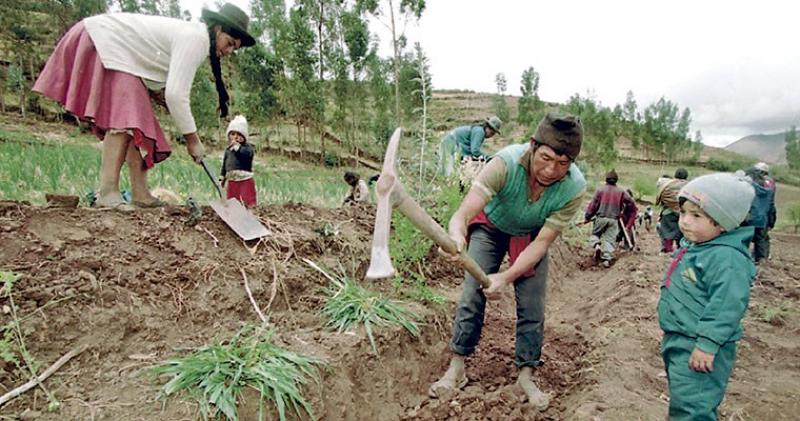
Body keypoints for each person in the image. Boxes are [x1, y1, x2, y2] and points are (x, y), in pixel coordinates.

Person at [428, 112, 586, 411]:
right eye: (546, 158)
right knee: (471, 294)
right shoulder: (504, 164)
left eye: (563, 164)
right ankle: (457, 365)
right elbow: (462, 214)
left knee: (532, 304)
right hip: (490, 227)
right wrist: (457, 236)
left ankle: (526, 374)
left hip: (530, 236)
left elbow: (542, 243)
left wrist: (507, 276)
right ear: (532, 146)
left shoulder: (574, 189)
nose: (551, 170)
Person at [32, 3, 255, 211]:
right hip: (105, 41)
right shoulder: (196, 38)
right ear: (217, 29)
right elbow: (176, 95)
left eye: (234, 48)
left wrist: (168, 105)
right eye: (229, 43)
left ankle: (140, 194)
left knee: (139, 122)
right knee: (124, 120)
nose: (228, 51)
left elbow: (162, 86)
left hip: (122, 55)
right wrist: (192, 140)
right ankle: (107, 192)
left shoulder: (194, 37)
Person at [658, 172, 756, 421]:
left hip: (698, 346)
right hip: (680, 339)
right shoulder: (700, 245)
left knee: (694, 407)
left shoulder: (728, 259)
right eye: (683, 213)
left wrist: (707, 344)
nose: (685, 222)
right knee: (683, 400)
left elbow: (727, 307)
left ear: (722, 223)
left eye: (696, 215)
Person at [584, 170, 636, 266]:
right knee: (610, 240)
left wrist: (587, 216)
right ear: (616, 180)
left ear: (606, 179)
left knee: (595, 234)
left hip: (601, 217)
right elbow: (631, 203)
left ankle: (597, 245)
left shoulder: (600, 190)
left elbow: (593, 205)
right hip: (613, 220)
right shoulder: (621, 191)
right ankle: (607, 259)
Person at [438, 116, 503, 176]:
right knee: (449, 173)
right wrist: (488, 158)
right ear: (488, 128)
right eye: (492, 133)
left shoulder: (478, 130)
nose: (491, 136)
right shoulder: (479, 132)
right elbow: (475, 151)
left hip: (451, 144)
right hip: (450, 144)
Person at [743, 163, 777, 264]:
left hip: (747, 216)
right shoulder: (770, 184)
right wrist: (772, 221)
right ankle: (762, 262)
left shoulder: (748, 181)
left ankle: (742, 258)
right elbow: (771, 205)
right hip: (762, 218)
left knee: (743, 238)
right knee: (762, 239)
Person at [220, 115, 256, 208]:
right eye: (232, 134)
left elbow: (248, 155)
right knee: (232, 200)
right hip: (232, 179)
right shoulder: (228, 150)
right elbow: (225, 164)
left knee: (246, 200)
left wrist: (238, 147)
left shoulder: (247, 148)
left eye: (238, 134)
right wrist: (222, 177)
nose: (235, 137)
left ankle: (249, 213)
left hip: (244, 179)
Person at [656, 168, 689, 252]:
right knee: (682, 233)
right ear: (686, 177)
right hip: (684, 214)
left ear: (675, 175)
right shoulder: (690, 186)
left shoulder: (666, 185)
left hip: (668, 213)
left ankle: (668, 249)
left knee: (667, 232)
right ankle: (680, 249)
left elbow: (662, 199)